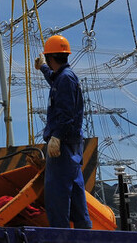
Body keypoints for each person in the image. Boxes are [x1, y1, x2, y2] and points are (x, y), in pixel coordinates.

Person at [35, 34, 91, 228]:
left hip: (63, 145)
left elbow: (66, 112)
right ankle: (84, 235)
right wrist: (42, 67)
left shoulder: (65, 79)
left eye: (47, 60)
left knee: (57, 194)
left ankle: (60, 235)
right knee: (75, 192)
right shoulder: (64, 77)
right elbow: (53, 79)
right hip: (71, 145)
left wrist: (56, 137)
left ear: (52, 58)